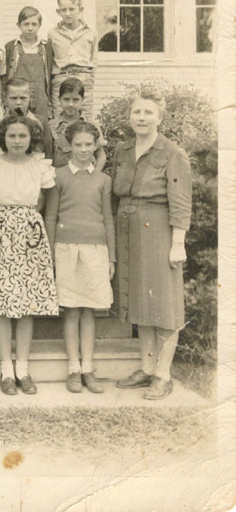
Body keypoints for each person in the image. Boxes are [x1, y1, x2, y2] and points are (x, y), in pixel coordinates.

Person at [112, 89, 192, 400]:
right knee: (139, 302)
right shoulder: (122, 151)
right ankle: (146, 368)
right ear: (129, 117)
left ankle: (163, 374)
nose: (142, 118)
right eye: (137, 112)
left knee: (164, 303)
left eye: (148, 112)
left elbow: (181, 202)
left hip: (158, 231)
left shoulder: (172, 153)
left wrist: (178, 243)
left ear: (160, 117)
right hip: (128, 231)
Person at [0, 114, 59, 396]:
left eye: (23, 136)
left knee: (26, 303)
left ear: (31, 138)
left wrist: (31, 226)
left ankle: (22, 369)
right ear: (3, 138)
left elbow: (44, 201)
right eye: (11, 135)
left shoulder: (39, 164)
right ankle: (6, 370)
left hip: (30, 235)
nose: (17, 141)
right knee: (1, 302)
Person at [44, 121, 115, 394]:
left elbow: (108, 219)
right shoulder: (58, 176)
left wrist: (111, 258)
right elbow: (51, 216)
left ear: (96, 146)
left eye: (88, 145)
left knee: (89, 310)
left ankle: (88, 368)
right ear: (69, 146)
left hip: (95, 250)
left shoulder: (103, 180)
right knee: (72, 310)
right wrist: (50, 254)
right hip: (66, 248)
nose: (83, 149)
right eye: (78, 144)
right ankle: (73, 368)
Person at [48, 0, 97, 118]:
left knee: (84, 118)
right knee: (60, 118)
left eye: (71, 9)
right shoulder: (53, 33)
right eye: (63, 10)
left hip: (83, 77)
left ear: (80, 10)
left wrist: (89, 79)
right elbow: (50, 61)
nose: (67, 13)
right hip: (61, 77)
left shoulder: (90, 32)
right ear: (58, 11)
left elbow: (94, 59)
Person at [4, 6, 54, 123]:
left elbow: (50, 77)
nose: (30, 28)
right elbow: (5, 77)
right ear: (18, 25)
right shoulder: (11, 47)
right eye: (26, 24)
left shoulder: (46, 47)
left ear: (40, 25)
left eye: (34, 24)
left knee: (40, 127)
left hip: (41, 99)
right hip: (18, 98)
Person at [49, 77, 106, 170]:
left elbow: (101, 155)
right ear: (59, 99)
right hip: (60, 175)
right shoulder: (52, 126)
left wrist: (96, 174)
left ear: (82, 100)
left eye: (75, 100)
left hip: (86, 174)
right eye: (66, 99)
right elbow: (48, 156)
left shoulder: (91, 124)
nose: (70, 104)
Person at [3, 77, 54, 159]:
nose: (18, 102)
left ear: (30, 97)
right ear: (5, 98)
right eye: (13, 98)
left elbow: (49, 154)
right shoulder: (0, 123)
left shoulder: (41, 122)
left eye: (23, 98)